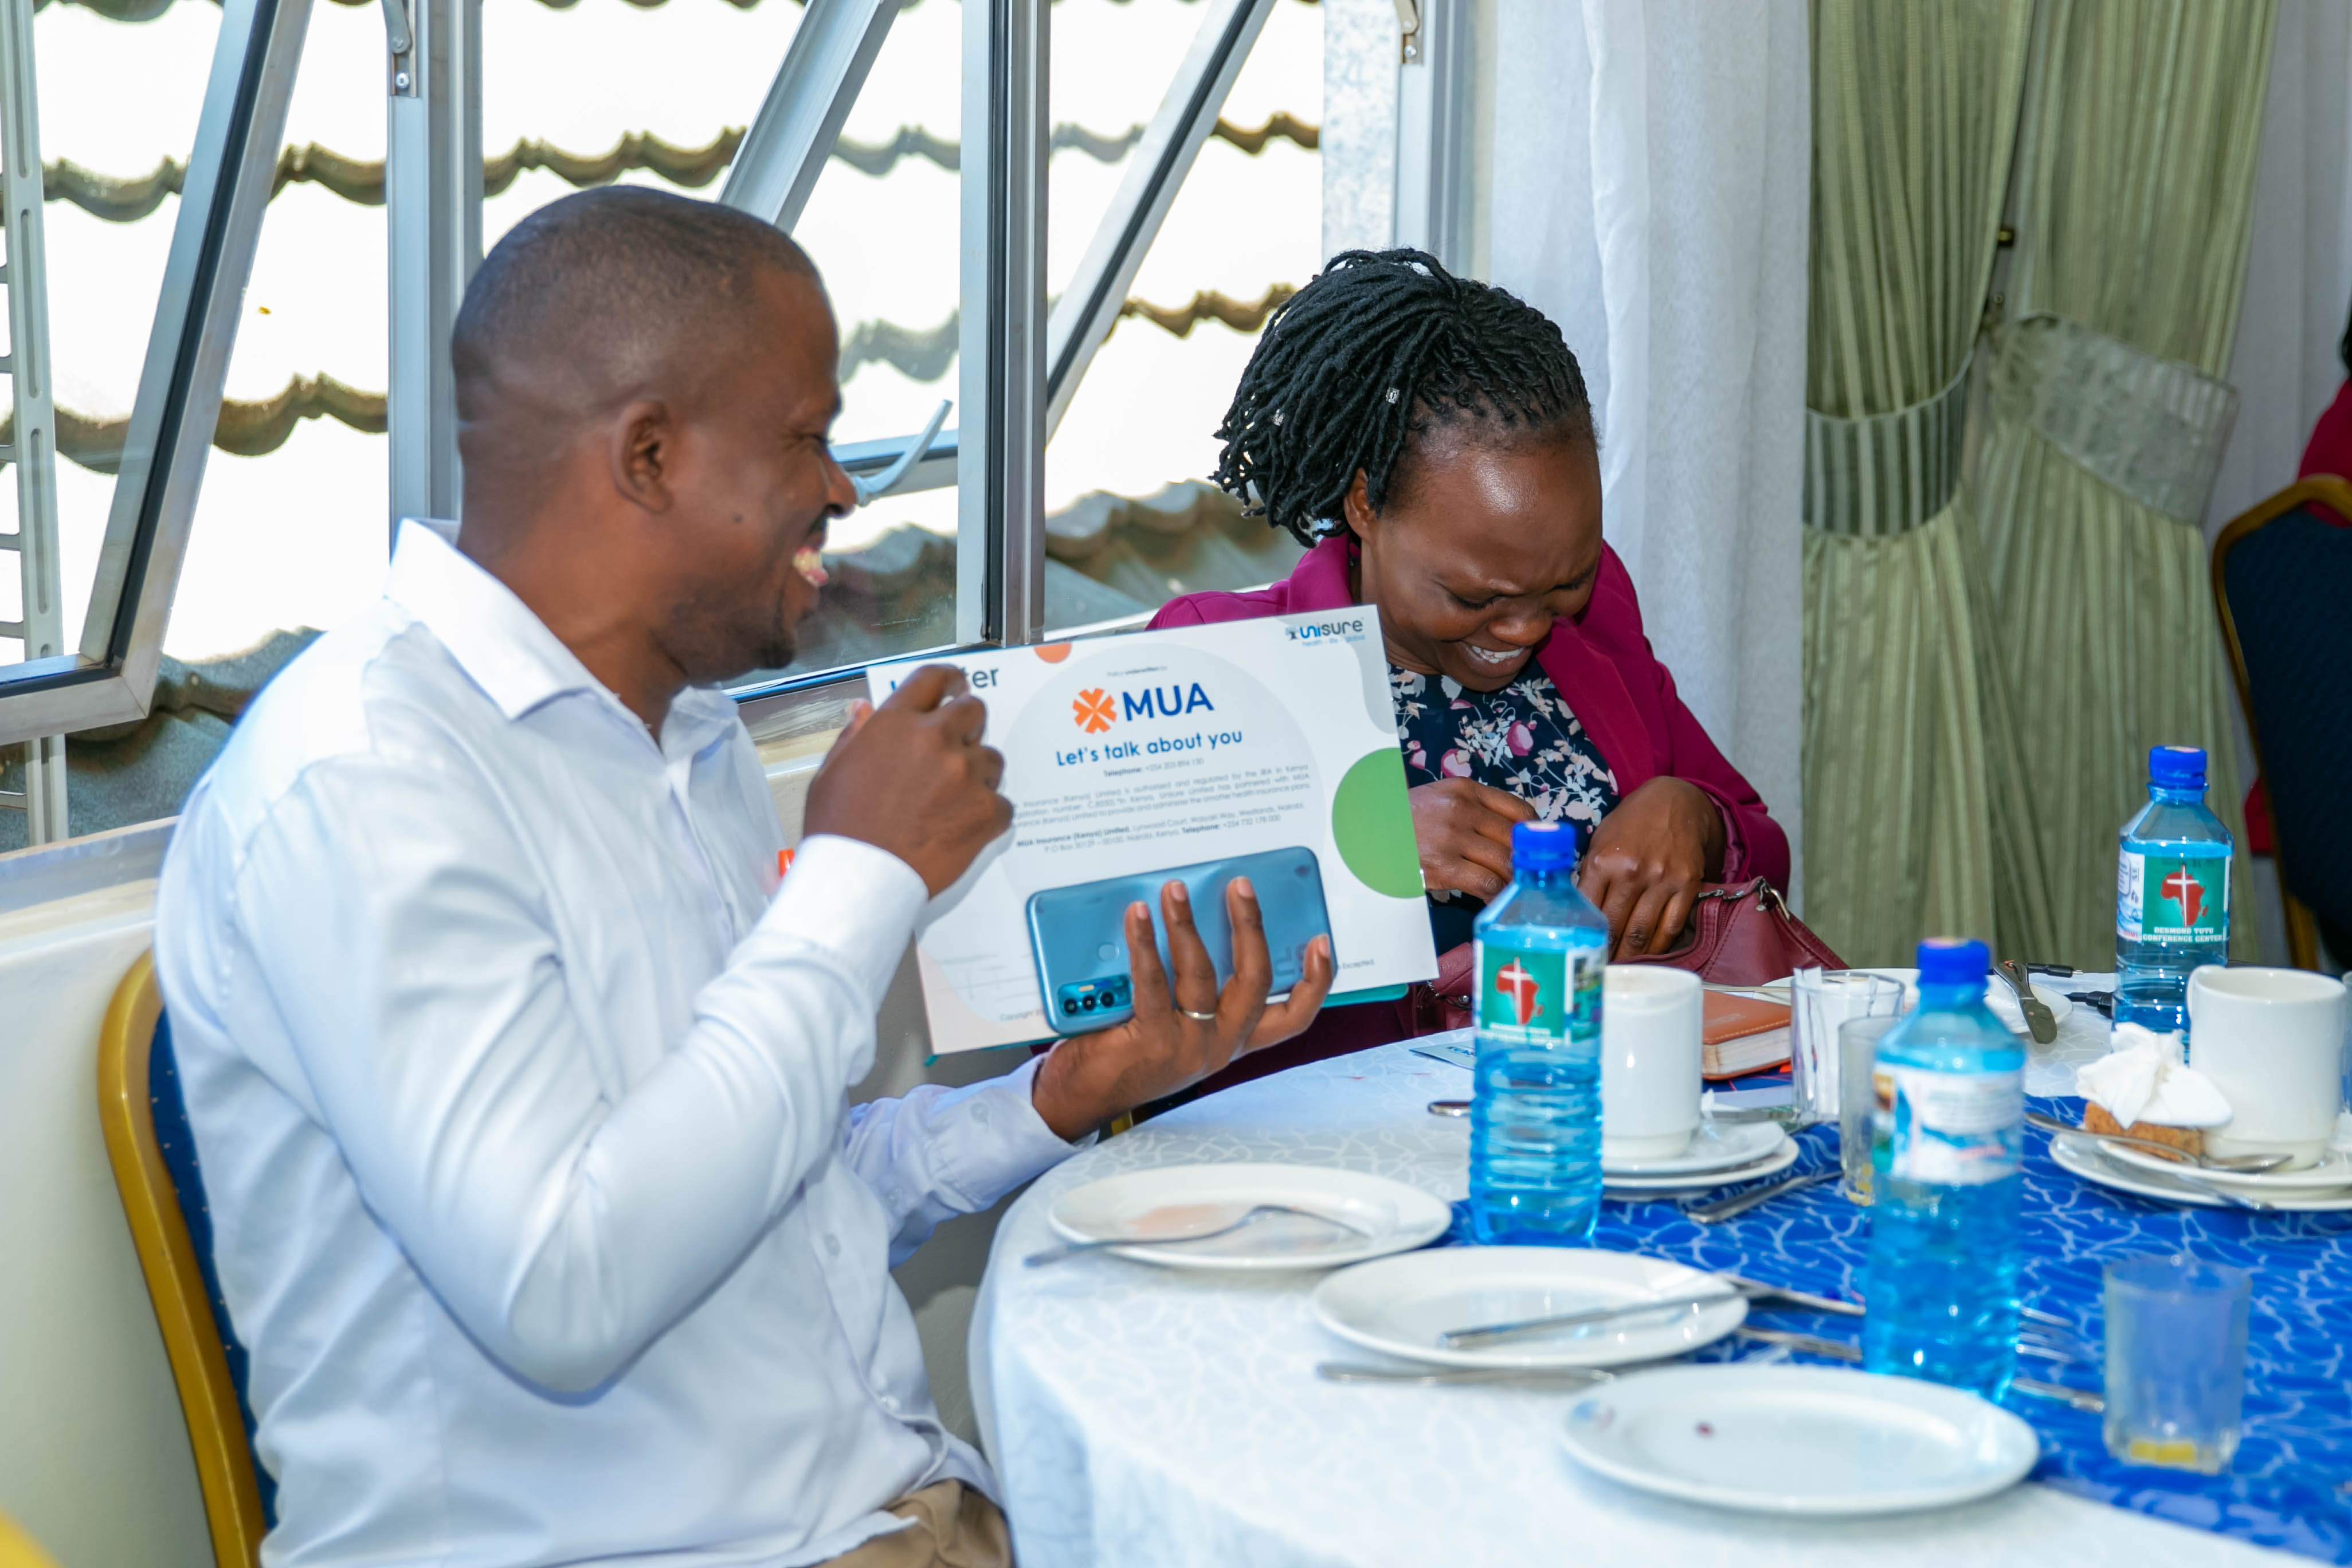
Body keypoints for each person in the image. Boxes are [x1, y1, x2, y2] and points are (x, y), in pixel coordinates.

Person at [151, 187, 1332, 1568]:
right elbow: (564, 1285)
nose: (841, 489)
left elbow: (786, 1197)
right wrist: (859, 875)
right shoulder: (367, 784)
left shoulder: (684, 738)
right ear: (648, 455)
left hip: (895, 1512)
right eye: (807, 437)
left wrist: (1059, 1096)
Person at [1151, 248, 1787, 1084]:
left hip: (1590, 1118)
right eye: (1476, 595)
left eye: (1563, 582)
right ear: (1366, 503)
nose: (1525, 627)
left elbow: (1763, 850)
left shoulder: (1596, 617)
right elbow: (1109, 968)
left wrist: (1692, 816)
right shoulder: (1219, 663)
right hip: (1338, 1141)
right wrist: (1361, 855)